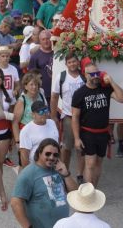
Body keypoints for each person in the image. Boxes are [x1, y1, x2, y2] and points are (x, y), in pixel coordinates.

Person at [72, 61, 123, 187]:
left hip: (103, 132)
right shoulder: (79, 93)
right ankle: (88, 191)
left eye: (98, 73)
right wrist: (76, 138)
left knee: (98, 163)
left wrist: (112, 82)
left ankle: (94, 189)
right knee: (90, 163)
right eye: (92, 74)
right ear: (85, 75)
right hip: (87, 132)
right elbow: (75, 117)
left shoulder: (105, 89)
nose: (96, 76)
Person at [11, 138, 78, 228]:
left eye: (55, 155)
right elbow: (15, 203)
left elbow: (76, 194)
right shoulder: (28, 173)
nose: (51, 157)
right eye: (48, 154)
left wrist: (66, 174)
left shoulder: (58, 169)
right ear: (39, 153)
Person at [50, 53, 86, 182]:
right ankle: (64, 172)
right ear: (66, 64)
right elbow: (54, 97)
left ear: (78, 62)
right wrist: (53, 116)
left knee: (81, 148)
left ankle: (80, 174)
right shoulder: (62, 77)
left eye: (74, 61)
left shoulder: (84, 76)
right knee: (66, 147)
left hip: (84, 117)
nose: (72, 64)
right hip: (68, 117)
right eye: (69, 62)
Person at [19, 101, 59, 167]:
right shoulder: (26, 130)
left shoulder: (52, 123)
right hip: (37, 167)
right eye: (40, 112)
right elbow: (24, 156)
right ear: (33, 114)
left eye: (45, 110)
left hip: (54, 164)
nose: (44, 114)